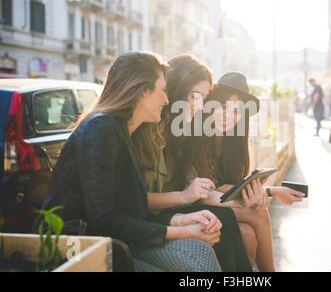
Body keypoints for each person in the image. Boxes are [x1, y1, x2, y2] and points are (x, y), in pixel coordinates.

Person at [42, 52, 223, 272]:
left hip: (114, 244)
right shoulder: (102, 129)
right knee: (196, 260)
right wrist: (184, 230)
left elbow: (129, 209)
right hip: (79, 251)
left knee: (201, 252)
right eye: (162, 90)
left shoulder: (121, 131)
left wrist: (181, 220)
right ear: (143, 91)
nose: (166, 100)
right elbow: (106, 221)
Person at [180, 72, 306, 272]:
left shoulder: (233, 143)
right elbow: (199, 193)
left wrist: (269, 191)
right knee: (258, 213)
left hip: (217, 204)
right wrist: (260, 196)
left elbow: (224, 185)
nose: (228, 117)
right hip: (188, 207)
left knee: (247, 234)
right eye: (222, 107)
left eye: (237, 112)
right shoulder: (196, 136)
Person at [139, 54, 254, 272]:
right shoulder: (149, 131)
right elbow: (132, 201)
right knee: (224, 222)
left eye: (203, 98)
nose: (200, 106)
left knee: (229, 222)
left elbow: (212, 185)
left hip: (172, 209)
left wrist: (261, 192)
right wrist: (185, 200)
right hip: (151, 219)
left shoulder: (178, 132)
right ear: (176, 90)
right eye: (195, 97)